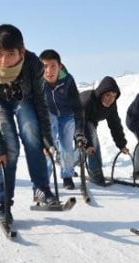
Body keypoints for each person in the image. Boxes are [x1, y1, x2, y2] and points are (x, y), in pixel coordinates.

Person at [0, 24, 57, 224]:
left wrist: (46, 137)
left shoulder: (33, 65)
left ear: (21, 52)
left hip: (24, 99)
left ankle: (41, 188)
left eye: (10, 54)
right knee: (8, 146)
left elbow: (40, 102)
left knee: (31, 131)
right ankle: (2, 201)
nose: (3, 61)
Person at [39, 49, 84, 190]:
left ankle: (67, 176)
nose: (49, 71)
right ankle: (44, 179)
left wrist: (80, 132)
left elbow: (78, 107)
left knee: (66, 146)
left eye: (53, 66)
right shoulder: (38, 82)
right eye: (45, 66)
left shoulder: (68, 81)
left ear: (60, 66)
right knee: (48, 146)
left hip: (67, 114)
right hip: (49, 113)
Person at [79, 76, 129, 186]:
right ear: (101, 93)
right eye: (107, 95)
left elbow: (115, 124)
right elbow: (82, 125)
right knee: (91, 140)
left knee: (88, 143)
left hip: (91, 120)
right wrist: (89, 145)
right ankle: (94, 171)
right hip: (74, 117)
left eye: (113, 96)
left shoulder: (112, 105)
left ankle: (92, 166)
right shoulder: (87, 101)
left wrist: (122, 144)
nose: (110, 99)